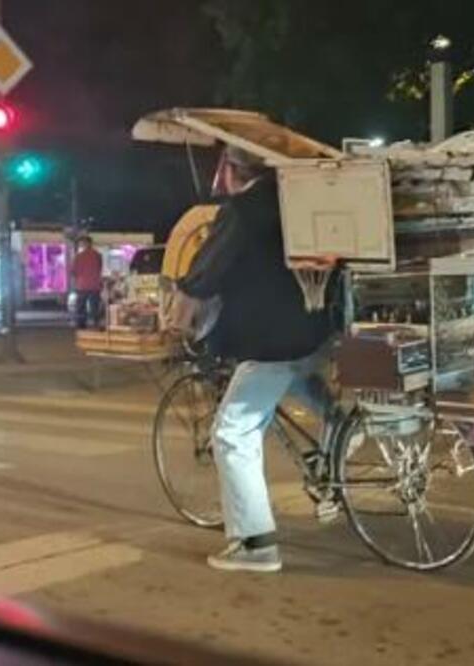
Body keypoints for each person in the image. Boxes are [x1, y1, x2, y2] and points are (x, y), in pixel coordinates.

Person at [178, 144, 336, 573]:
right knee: (301, 378)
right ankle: (338, 426)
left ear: (231, 170)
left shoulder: (245, 210)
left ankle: (255, 544)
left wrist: (181, 313)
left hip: (271, 341)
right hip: (316, 332)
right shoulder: (291, 202)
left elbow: (204, 273)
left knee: (232, 433)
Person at [72, 235, 103, 329]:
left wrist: (78, 278)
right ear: (91, 243)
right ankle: (96, 323)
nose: (82, 244)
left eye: (82, 243)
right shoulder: (98, 255)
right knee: (94, 306)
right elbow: (99, 268)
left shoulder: (78, 256)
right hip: (94, 285)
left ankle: (81, 324)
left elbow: (73, 271)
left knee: (81, 307)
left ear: (85, 243)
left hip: (82, 285)